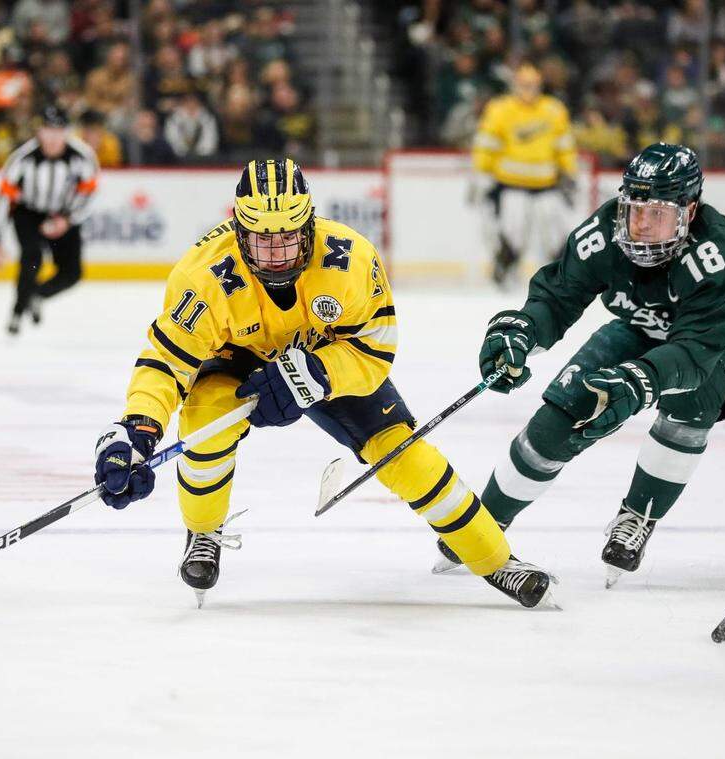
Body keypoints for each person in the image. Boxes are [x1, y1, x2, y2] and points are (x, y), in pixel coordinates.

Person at [91, 158, 555, 609]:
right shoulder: (202, 276)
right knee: (203, 423)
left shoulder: (351, 259)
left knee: (404, 453)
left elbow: (376, 349)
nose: (275, 257)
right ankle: (203, 530)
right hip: (235, 357)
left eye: (288, 240)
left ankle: (495, 559)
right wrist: (139, 430)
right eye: (261, 242)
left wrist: (312, 375)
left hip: (323, 356)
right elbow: (165, 361)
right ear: (238, 233)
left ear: (310, 227)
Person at [435, 144, 725, 588]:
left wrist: (642, 379)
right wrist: (520, 332)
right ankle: (485, 525)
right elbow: (557, 295)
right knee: (565, 407)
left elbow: (698, 349)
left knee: (693, 393)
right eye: (634, 210)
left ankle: (639, 514)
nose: (641, 226)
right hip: (654, 325)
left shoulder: (715, 252)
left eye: (658, 214)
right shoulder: (603, 232)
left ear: (690, 210)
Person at [0, 104, 99, 335]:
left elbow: (89, 193)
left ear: (67, 132)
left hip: (64, 213)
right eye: (47, 130)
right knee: (32, 257)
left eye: (58, 131)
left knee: (73, 273)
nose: (52, 137)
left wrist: (68, 220)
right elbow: (3, 198)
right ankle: (17, 312)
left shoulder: (82, 156)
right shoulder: (23, 158)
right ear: (39, 132)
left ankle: (37, 295)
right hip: (29, 213)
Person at [471, 63, 577, 286]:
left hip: (547, 185)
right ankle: (504, 274)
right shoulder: (500, 109)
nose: (528, 89)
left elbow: (564, 145)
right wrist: (481, 174)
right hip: (511, 185)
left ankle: (561, 279)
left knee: (555, 233)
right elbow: (486, 144)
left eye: (532, 85)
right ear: (515, 85)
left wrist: (569, 171)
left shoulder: (554, 109)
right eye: (524, 85)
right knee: (512, 233)